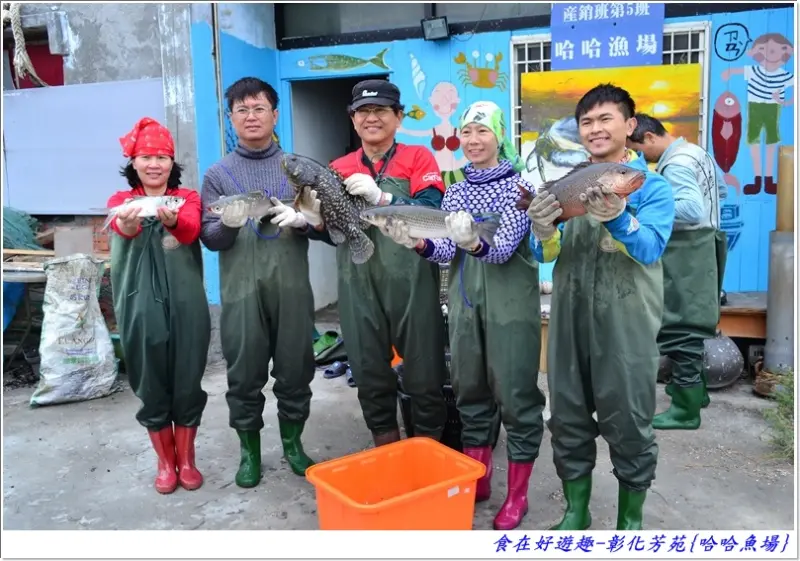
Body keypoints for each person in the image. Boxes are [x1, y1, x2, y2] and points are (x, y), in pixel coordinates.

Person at [379, 100, 547, 531]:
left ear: (499, 137)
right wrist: (416, 243)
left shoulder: (520, 187)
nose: (473, 141)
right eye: (467, 133)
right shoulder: (454, 189)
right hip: (465, 305)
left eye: (482, 132)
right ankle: (480, 478)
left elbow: (504, 247)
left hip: (511, 310)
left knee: (515, 396)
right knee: (470, 392)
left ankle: (519, 494)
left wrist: (473, 241)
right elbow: (447, 249)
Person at [525, 84, 675, 530]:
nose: (595, 129)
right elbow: (544, 253)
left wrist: (619, 218)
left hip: (626, 321)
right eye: (586, 122)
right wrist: (544, 228)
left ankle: (630, 521)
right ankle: (576, 511)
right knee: (567, 417)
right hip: (569, 318)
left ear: (629, 126)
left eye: (605, 118)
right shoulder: (567, 184)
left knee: (629, 419)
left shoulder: (651, 187)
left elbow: (650, 249)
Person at [306, 79, 449, 447]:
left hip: (413, 282)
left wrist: (383, 197)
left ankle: (427, 455)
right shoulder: (337, 168)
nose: (371, 118)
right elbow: (333, 234)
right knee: (370, 375)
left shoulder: (419, 159)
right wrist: (313, 222)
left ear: (398, 117)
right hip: (357, 285)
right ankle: (388, 453)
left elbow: (432, 212)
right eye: (363, 111)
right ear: (352, 120)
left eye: (380, 110)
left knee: (424, 374)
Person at [200, 77, 320, 487]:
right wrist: (230, 225)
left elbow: (324, 227)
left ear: (275, 114)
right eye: (242, 110)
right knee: (244, 372)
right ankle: (249, 453)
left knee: (296, 368)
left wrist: (305, 221)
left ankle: (293, 445)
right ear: (231, 117)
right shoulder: (218, 174)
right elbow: (211, 238)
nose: (251, 117)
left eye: (259, 108)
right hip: (241, 291)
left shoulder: (296, 167)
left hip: (291, 288)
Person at [108, 117, 211, 494]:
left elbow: (189, 230)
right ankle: (165, 463)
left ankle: (187, 460)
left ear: (172, 163)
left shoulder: (187, 199)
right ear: (133, 162)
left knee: (187, 377)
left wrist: (171, 220)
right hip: (139, 305)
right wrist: (132, 222)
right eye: (146, 156)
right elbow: (125, 229)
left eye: (162, 157)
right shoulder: (120, 203)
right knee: (149, 380)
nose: (154, 164)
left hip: (187, 304)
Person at [627, 113, 728, 430]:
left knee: (682, 327)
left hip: (689, 250)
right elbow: (719, 193)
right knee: (694, 320)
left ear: (649, 138)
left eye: (638, 150)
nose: (642, 158)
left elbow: (691, 208)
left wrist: (647, 204)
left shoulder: (677, 163)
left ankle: (685, 410)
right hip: (708, 242)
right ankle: (695, 393)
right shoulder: (697, 152)